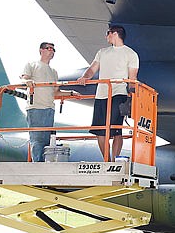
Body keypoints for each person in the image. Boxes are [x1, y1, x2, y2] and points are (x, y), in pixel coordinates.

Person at [77, 25, 139, 161]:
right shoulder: (102, 52)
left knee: (116, 129)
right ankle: (107, 161)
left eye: (108, 33)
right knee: (100, 129)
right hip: (102, 94)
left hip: (119, 92)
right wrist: (85, 77)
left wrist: (132, 97)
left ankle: (115, 159)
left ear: (115, 34)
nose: (106, 37)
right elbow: (92, 68)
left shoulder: (130, 54)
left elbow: (132, 77)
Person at [21, 42, 77, 162]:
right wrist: (28, 81)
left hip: (49, 109)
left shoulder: (54, 72)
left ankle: (44, 163)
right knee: (37, 139)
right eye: (48, 48)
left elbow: (55, 92)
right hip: (36, 107)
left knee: (47, 140)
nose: (51, 51)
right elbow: (24, 78)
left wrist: (71, 93)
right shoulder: (32, 65)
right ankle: (37, 164)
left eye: (53, 49)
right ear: (41, 50)